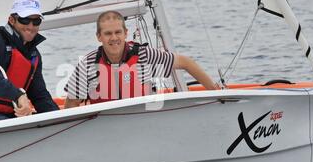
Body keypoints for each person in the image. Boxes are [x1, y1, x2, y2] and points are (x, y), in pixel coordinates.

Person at [64, 11, 219, 108]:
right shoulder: (88, 64)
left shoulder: (144, 55)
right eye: (108, 33)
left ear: (126, 33)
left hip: (144, 122)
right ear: (99, 37)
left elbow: (186, 63)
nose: (114, 38)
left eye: (118, 32)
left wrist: (217, 94)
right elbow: (72, 103)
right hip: (105, 129)